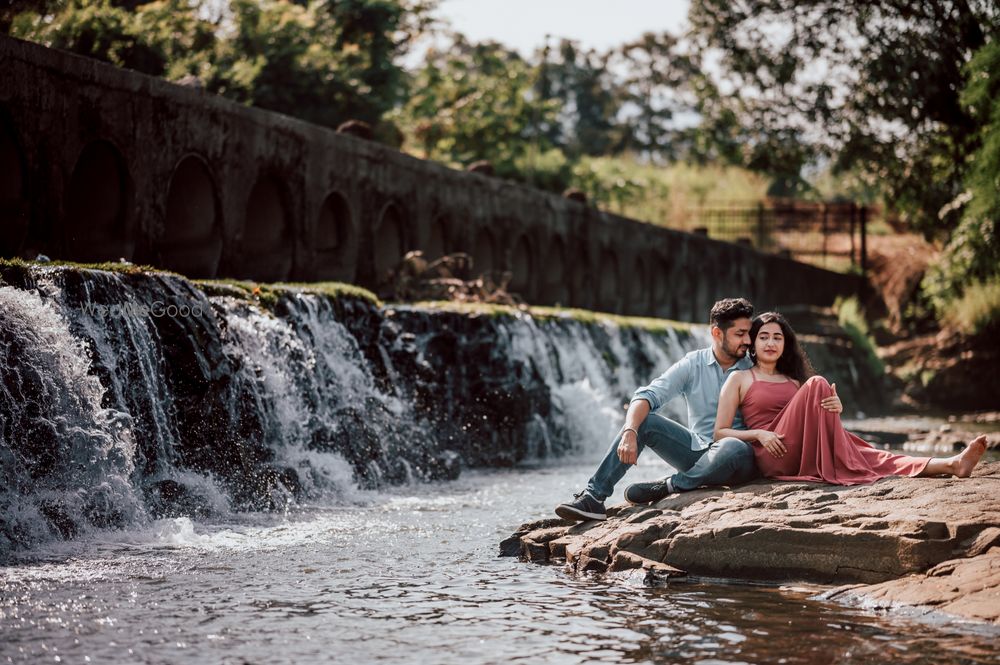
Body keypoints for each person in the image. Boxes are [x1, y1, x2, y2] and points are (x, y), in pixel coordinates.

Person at [556, 298, 841, 521]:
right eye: (741, 334)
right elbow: (646, 395)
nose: (748, 340)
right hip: (696, 451)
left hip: (745, 455)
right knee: (646, 421)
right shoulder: (693, 364)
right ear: (717, 333)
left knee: (730, 445)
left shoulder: (757, 366)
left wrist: (831, 408)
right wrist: (630, 430)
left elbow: (798, 408)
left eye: (749, 334)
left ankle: (669, 485)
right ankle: (594, 497)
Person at [714, 311, 989, 484]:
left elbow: (810, 421)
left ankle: (952, 464)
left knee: (869, 454)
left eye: (777, 337)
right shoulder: (739, 378)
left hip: (804, 447)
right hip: (773, 455)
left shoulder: (794, 380)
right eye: (763, 337)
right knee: (819, 384)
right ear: (753, 344)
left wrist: (836, 408)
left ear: (786, 345)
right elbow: (719, 433)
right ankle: (842, 462)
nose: (771, 343)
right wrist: (759, 435)